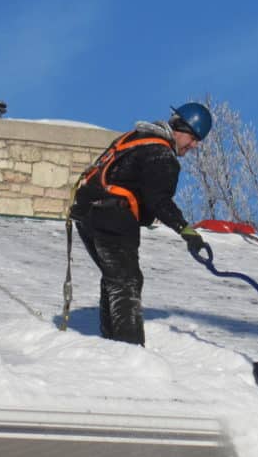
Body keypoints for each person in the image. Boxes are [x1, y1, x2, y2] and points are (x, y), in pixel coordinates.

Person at [69, 102, 212, 346]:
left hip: (86, 214)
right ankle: (129, 350)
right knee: (127, 281)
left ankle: (112, 344)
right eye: (194, 137)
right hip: (112, 214)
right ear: (179, 127)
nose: (194, 145)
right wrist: (185, 230)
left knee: (116, 278)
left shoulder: (137, 138)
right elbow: (159, 201)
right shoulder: (161, 154)